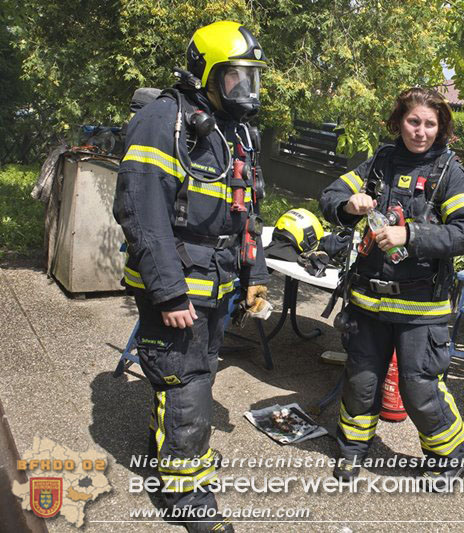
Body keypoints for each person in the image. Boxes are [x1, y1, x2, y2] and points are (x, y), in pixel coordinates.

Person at [113, 20, 270, 532]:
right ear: (205, 72)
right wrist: (168, 292)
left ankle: (171, 446)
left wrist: (255, 274)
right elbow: (142, 212)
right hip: (179, 287)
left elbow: (248, 212)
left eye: (252, 78)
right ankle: (185, 496)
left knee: (190, 375)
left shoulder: (236, 130)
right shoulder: (163, 120)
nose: (246, 89)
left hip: (218, 283)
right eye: (235, 78)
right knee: (187, 381)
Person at [319, 87, 464, 485]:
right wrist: (348, 204)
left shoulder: (448, 171)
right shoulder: (380, 161)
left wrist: (410, 235)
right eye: (414, 121)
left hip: (421, 308)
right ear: (400, 122)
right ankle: (352, 451)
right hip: (367, 301)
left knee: (419, 387)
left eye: (430, 123)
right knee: (361, 381)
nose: (421, 131)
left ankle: (451, 456)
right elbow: (330, 195)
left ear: (441, 126)